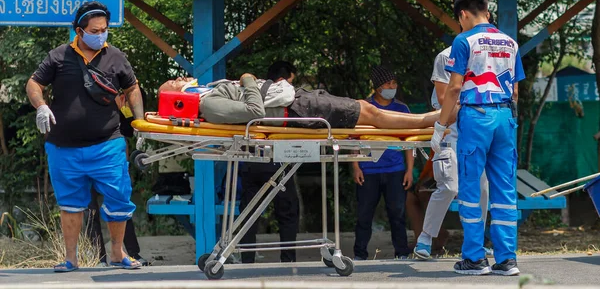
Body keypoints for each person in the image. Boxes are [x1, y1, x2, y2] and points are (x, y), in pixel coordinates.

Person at [26, 1, 144, 272]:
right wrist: (41, 105)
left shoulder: (115, 57)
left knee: (118, 198)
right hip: (63, 147)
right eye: (94, 30)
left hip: (108, 144)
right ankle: (71, 258)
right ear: (79, 30)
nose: (101, 34)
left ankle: (117, 252)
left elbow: (133, 88)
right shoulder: (58, 56)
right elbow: (34, 83)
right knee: (70, 204)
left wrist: (139, 120)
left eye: (104, 29)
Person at [431, 0, 525, 276]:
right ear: (486, 9)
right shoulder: (510, 42)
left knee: (471, 188)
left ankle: (474, 258)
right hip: (505, 117)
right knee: (505, 189)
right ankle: (507, 259)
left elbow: (455, 88)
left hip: (475, 118)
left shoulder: (463, 40)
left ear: (463, 14)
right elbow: (516, 91)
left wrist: (441, 125)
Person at [413, 47, 489, 260]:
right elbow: (444, 96)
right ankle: (425, 238)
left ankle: (476, 243)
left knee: (482, 187)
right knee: (449, 185)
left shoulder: (486, 54)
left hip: (476, 128)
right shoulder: (447, 56)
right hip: (449, 127)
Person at [158, 75, 443, 130]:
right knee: (367, 112)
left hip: (297, 102)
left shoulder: (209, 93)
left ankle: (426, 121)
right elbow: (254, 112)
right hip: (297, 110)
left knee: (364, 108)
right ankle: (427, 121)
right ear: (178, 97)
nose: (179, 78)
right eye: (173, 82)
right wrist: (247, 79)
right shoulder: (209, 105)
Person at [238, 61, 300, 263]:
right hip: (277, 160)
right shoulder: (283, 94)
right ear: (283, 78)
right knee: (288, 212)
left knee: (249, 213)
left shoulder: (252, 93)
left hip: (251, 160)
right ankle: (288, 260)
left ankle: (246, 261)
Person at [352, 66, 413, 260]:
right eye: (388, 83)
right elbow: (354, 138)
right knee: (364, 215)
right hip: (367, 169)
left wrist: (409, 170)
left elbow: (411, 141)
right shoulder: (364, 108)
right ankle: (360, 255)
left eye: (394, 83)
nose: (392, 86)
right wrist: (355, 166)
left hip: (395, 170)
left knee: (398, 214)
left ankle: (401, 253)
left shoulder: (402, 109)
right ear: (378, 86)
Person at [86, 91, 149, 266]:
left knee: (120, 207)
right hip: (86, 160)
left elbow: (128, 130)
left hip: (112, 162)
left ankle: (133, 253)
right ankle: (98, 257)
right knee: (90, 210)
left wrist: (123, 108)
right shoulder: (86, 101)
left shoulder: (121, 103)